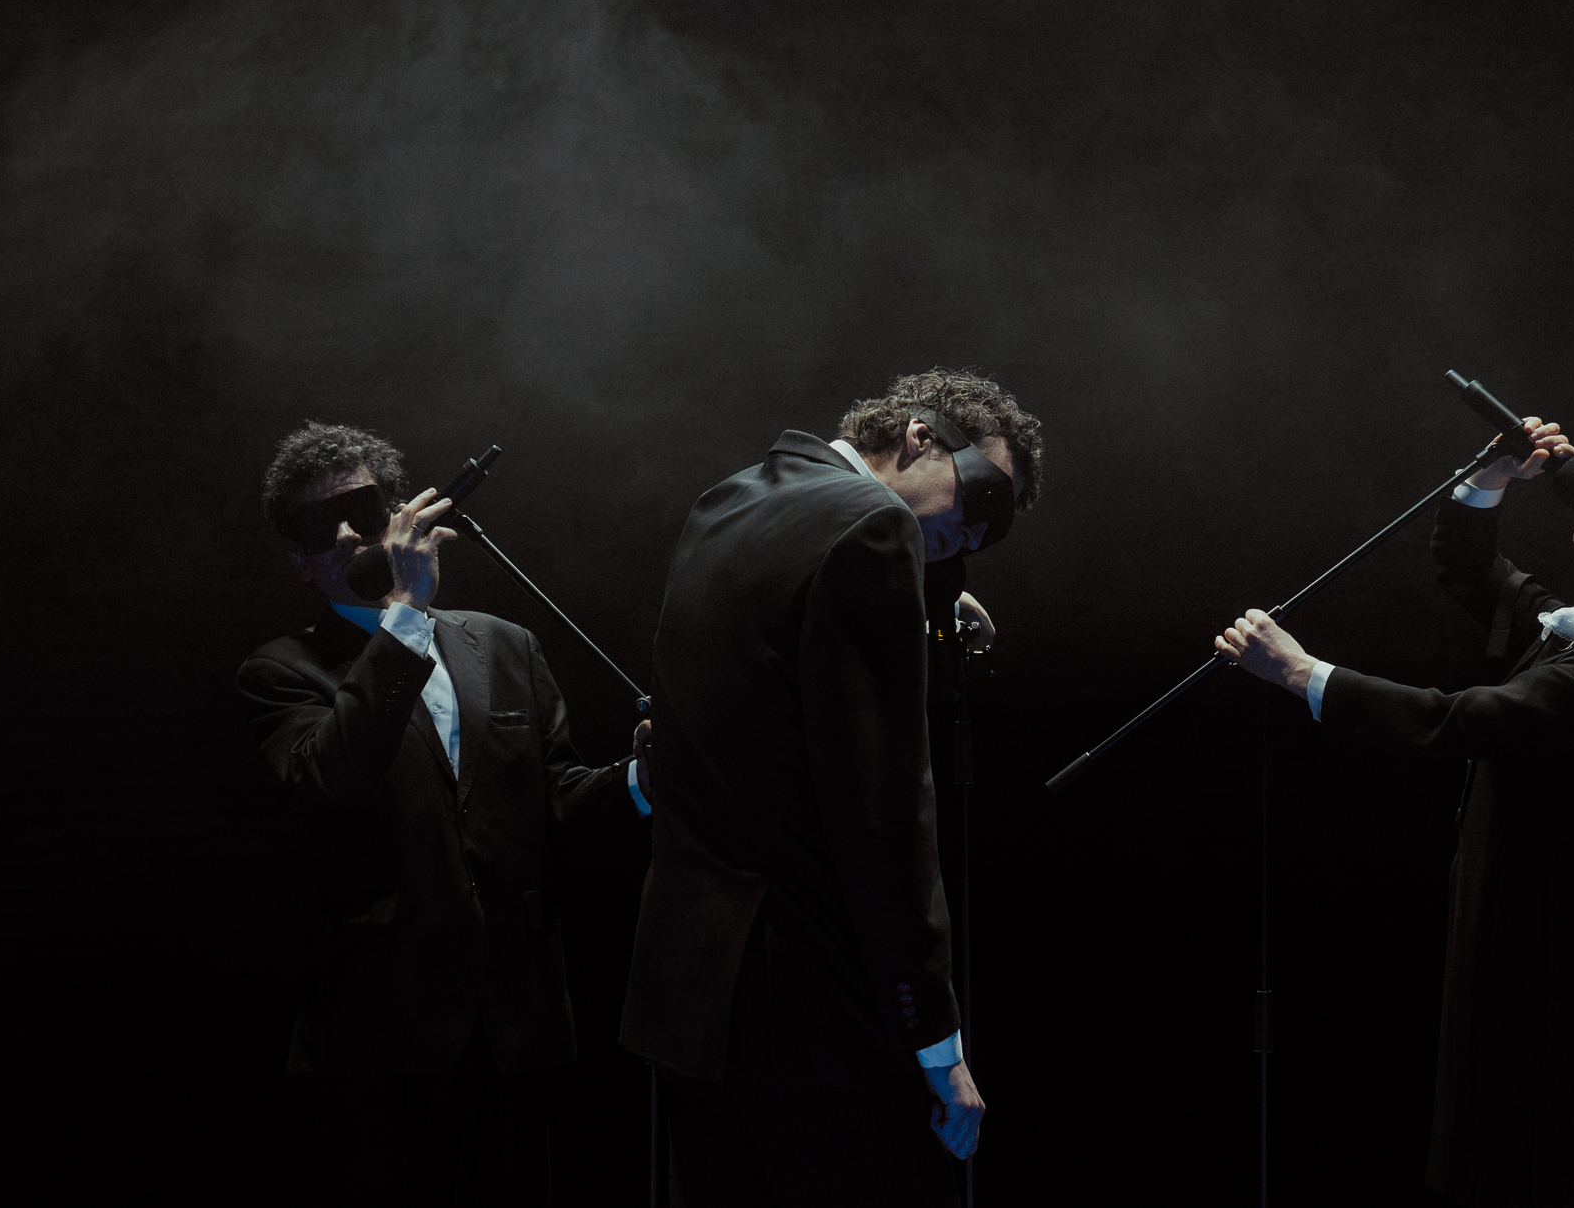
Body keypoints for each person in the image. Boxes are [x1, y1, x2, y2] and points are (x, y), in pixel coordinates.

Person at [1215, 417, 1574, 1208]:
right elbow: (1471, 567)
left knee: (1544, 1144)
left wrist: (1302, 672)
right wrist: (1493, 475)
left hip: (1560, 957)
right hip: (1521, 926)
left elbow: (1459, 720)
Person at [622, 369, 1043, 1207]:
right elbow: (885, 815)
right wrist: (936, 1041)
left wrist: (926, 597)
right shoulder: (873, 530)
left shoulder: (728, 501)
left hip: (689, 994)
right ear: (920, 436)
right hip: (805, 1006)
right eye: (981, 498)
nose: (973, 535)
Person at [238, 420, 642, 1205]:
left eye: (361, 508)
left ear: (399, 511)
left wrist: (643, 778)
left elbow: (559, 801)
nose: (347, 534)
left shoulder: (505, 644)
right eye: (320, 526)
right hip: (380, 1039)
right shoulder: (279, 672)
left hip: (516, 1025)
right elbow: (336, 777)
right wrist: (403, 614)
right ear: (300, 561)